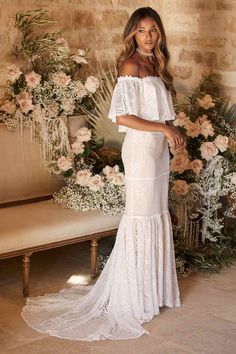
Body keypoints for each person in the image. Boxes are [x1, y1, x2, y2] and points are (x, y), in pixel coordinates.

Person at [21, 7, 185, 341]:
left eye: (154, 29)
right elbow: (123, 117)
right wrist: (164, 130)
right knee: (140, 217)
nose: (149, 36)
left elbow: (160, 113)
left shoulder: (157, 64)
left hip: (158, 154)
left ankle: (151, 294)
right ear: (132, 34)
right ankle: (133, 298)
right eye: (142, 30)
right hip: (140, 152)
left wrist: (172, 135)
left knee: (155, 214)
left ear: (160, 33)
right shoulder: (130, 65)